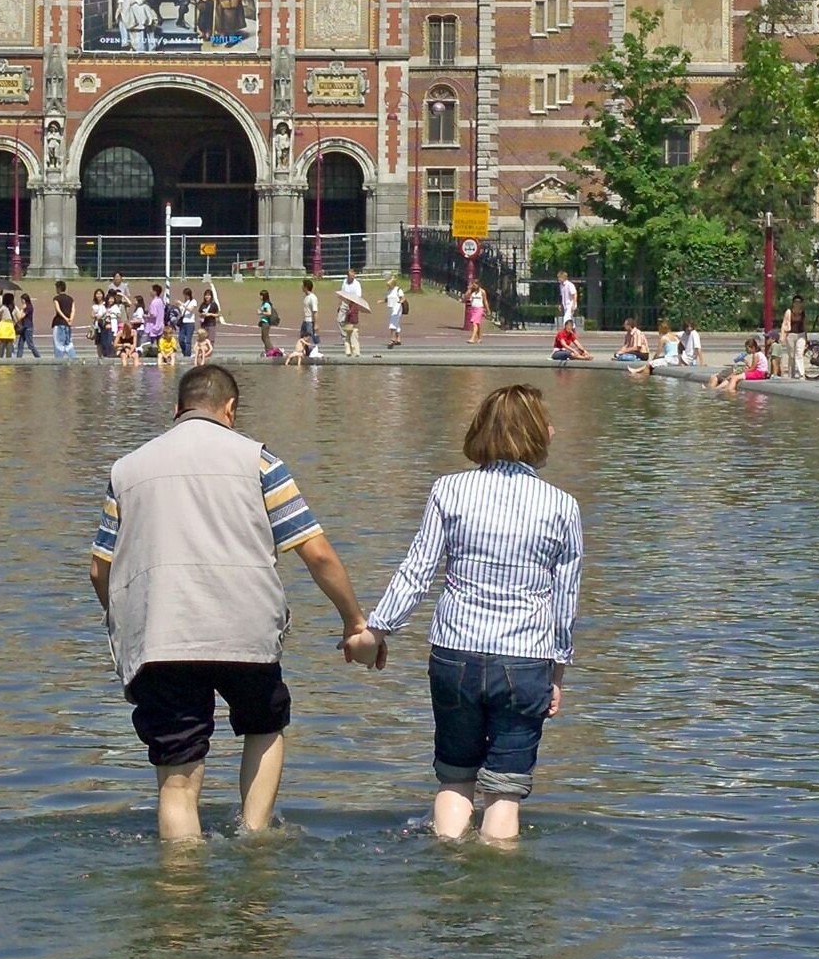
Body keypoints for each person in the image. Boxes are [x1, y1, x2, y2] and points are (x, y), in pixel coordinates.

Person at [89, 364, 376, 841]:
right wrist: (353, 621)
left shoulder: (128, 470)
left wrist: (124, 624)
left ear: (176, 409)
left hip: (163, 638)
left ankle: (180, 894)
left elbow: (100, 569)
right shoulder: (260, 461)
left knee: (177, 779)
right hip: (245, 632)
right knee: (265, 724)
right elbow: (317, 552)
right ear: (230, 410)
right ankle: (255, 835)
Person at [349, 383, 582, 845]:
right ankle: (495, 894)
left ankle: (447, 869)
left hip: (455, 656)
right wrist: (557, 673)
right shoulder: (563, 506)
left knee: (455, 779)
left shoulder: (449, 491)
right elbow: (565, 602)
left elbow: (416, 572)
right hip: (525, 660)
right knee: (504, 792)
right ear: (540, 435)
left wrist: (375, 630)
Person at [337, 271, 368, 357]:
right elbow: (342, 293)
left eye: (353, 276)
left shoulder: (357, 284)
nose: (352, 277)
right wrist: (340, 304)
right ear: (347, 276)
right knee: (340, 320)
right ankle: (345, 337)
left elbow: (358, 296)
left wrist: (353, 307)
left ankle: (353, 348)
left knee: (352, 324)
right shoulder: (345, 282)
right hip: (345, 302)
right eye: (351, 276)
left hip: (353, 303)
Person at [778, 295, 808, 380]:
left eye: (799, 302)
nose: (797, 304)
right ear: (793, 303)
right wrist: (783, 336)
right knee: (791, 355)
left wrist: (806, 337)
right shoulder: (789, 312)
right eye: (796, 302)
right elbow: (784, 323)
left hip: (801, 334)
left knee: (799, 353)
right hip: (790, 334)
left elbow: (805, 325)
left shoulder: (803, 313)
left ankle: (802, 373)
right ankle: (792, 373)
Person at [52, 280, 77, 358]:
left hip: (59, 322)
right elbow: (73, 310)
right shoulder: (70, 299)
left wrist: (65, 318)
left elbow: (58, 310)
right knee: (69, 344)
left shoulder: (56, 298)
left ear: (59, 288)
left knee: (58, 345)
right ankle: (73, 360)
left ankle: (59, 364)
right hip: (68, 324)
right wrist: (70, 320)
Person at [0, 294, 18, 359]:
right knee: (9, 351)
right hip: (10, 328)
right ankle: (9, 366)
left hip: (3, 328)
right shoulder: (14, 308)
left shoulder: (3, 307)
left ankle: (0, 366)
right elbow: (16, 319)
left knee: (0, 350)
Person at [198, 283, 222, 355]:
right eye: (206, 295)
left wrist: (210, 314)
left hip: (211, 324)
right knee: (203, 339)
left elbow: (218, 315)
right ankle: (203, 353)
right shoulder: (203, 304)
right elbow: (200, 313)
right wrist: (202, 315)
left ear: (211, 296)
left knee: (211, 340)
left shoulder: (214, 305)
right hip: (204, 324)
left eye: (208, 295)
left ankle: (209, 353)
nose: (207, 297)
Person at [16, 291, 40, 359]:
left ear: (24, 300)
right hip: (24, 327)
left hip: (28, 327)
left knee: (30, 345)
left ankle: (38, 357)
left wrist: (22, 309)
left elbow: (20, 316)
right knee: (20, 344)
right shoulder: (27, 306)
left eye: (22, 300)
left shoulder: (28, 307)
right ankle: (18, 358)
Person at [176, 287, 199, 360]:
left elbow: (190, 310)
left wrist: (182, 304)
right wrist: (178, 306)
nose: (185, 296)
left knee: (188, 341)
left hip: (190, 323)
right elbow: (182, 312)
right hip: (183, 323)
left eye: (186, 295)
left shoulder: (193, 301)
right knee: (181, 339)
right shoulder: (185, 302)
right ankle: (184, 352)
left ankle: (187, 355)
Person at [257, 288, 279, 358]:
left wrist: (261, 312)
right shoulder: (264, 304)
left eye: (261, 295)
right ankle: (268, 350)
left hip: (266, 323)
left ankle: (270, 350)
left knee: (265, 337)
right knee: (264, 337)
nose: (260, 297)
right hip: (264, 322)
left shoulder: (266, 304)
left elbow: (269, 313)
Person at [299, 278, 319, 356]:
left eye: (303, 286)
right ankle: (306, 353)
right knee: (302, 338)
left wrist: (316, 324)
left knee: (309, 339)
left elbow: (315, 311)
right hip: (305, 320)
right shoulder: (305, 297)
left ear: (306, 287)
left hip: (310, 321)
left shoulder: (312, 298)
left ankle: (311, 354)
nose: (301, 287)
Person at [385, 276, 406, 348]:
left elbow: (403, 298)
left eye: (389, 285)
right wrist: (381, 301)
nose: (388, 286)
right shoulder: (388, 291)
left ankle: (392, 339)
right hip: (390, 308)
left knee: (392, 323)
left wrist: (400, 301)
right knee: (396, 323)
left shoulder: (398, 290)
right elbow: (387, 299)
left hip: (397, 308)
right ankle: (398, 339)